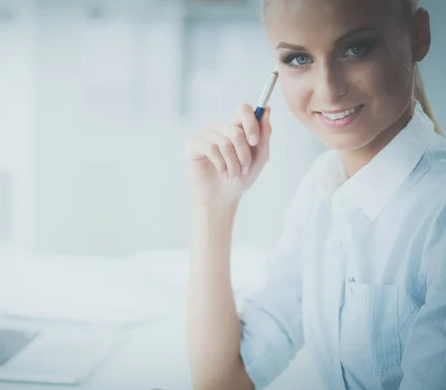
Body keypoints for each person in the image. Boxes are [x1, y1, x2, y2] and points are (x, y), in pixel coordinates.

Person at [185, 0, 446, 389]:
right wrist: (216, 208)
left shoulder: (436, 208)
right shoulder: (323, 186)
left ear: (418, 36)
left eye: (356, 49)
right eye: (298, 59)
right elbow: (224, 379)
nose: (329, 89)